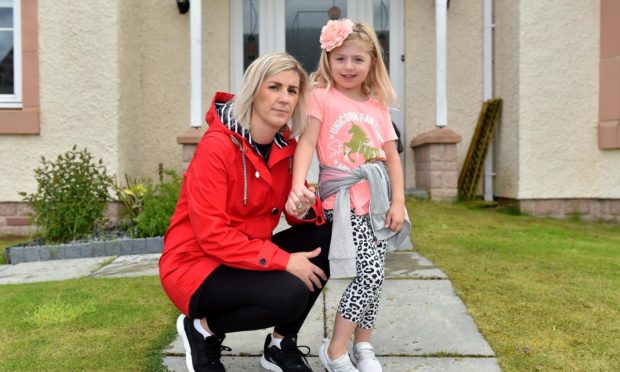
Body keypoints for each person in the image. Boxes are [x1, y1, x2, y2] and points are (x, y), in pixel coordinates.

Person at [159, 52, 332, 372]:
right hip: (195, 266)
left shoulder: (285, 149)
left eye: (292, 91)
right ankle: (201, 330)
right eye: (274, 87)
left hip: (245, 258)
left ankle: (280, 346)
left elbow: (296, 213)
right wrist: (284, 260)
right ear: (254, 91)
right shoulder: (217, 147)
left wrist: (304, 207)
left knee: (322, 236)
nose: (284, 98)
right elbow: (211, 235)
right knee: (290, 293)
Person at [286, 19, 410, 372]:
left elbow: (392, 157)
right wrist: (299, 185)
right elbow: (307, 143)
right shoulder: (322, 97)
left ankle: (363, 344)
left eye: (357, 59)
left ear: (372, 62)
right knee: (367, 275)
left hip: (379, 200)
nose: (349, 67)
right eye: (340, 59)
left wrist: (398, 201)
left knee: (377, 274)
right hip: (343, 201)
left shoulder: (377, 105)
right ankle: (335, 349)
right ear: (327, 59)